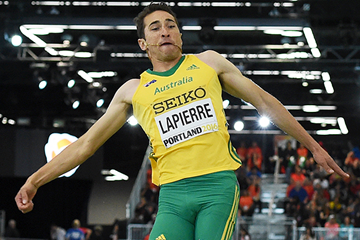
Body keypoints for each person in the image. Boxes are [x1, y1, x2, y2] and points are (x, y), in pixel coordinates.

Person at [15, 2, 349, 240]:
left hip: (216, 187)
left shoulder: (209, 63)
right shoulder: (133, 90)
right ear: (143, 43)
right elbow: (85, 145)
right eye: (155, 27)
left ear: (181, 35)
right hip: (172, 197)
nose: (165, 31)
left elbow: (265, 102)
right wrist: (35, 180)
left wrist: (312, 146)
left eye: (171, 25)